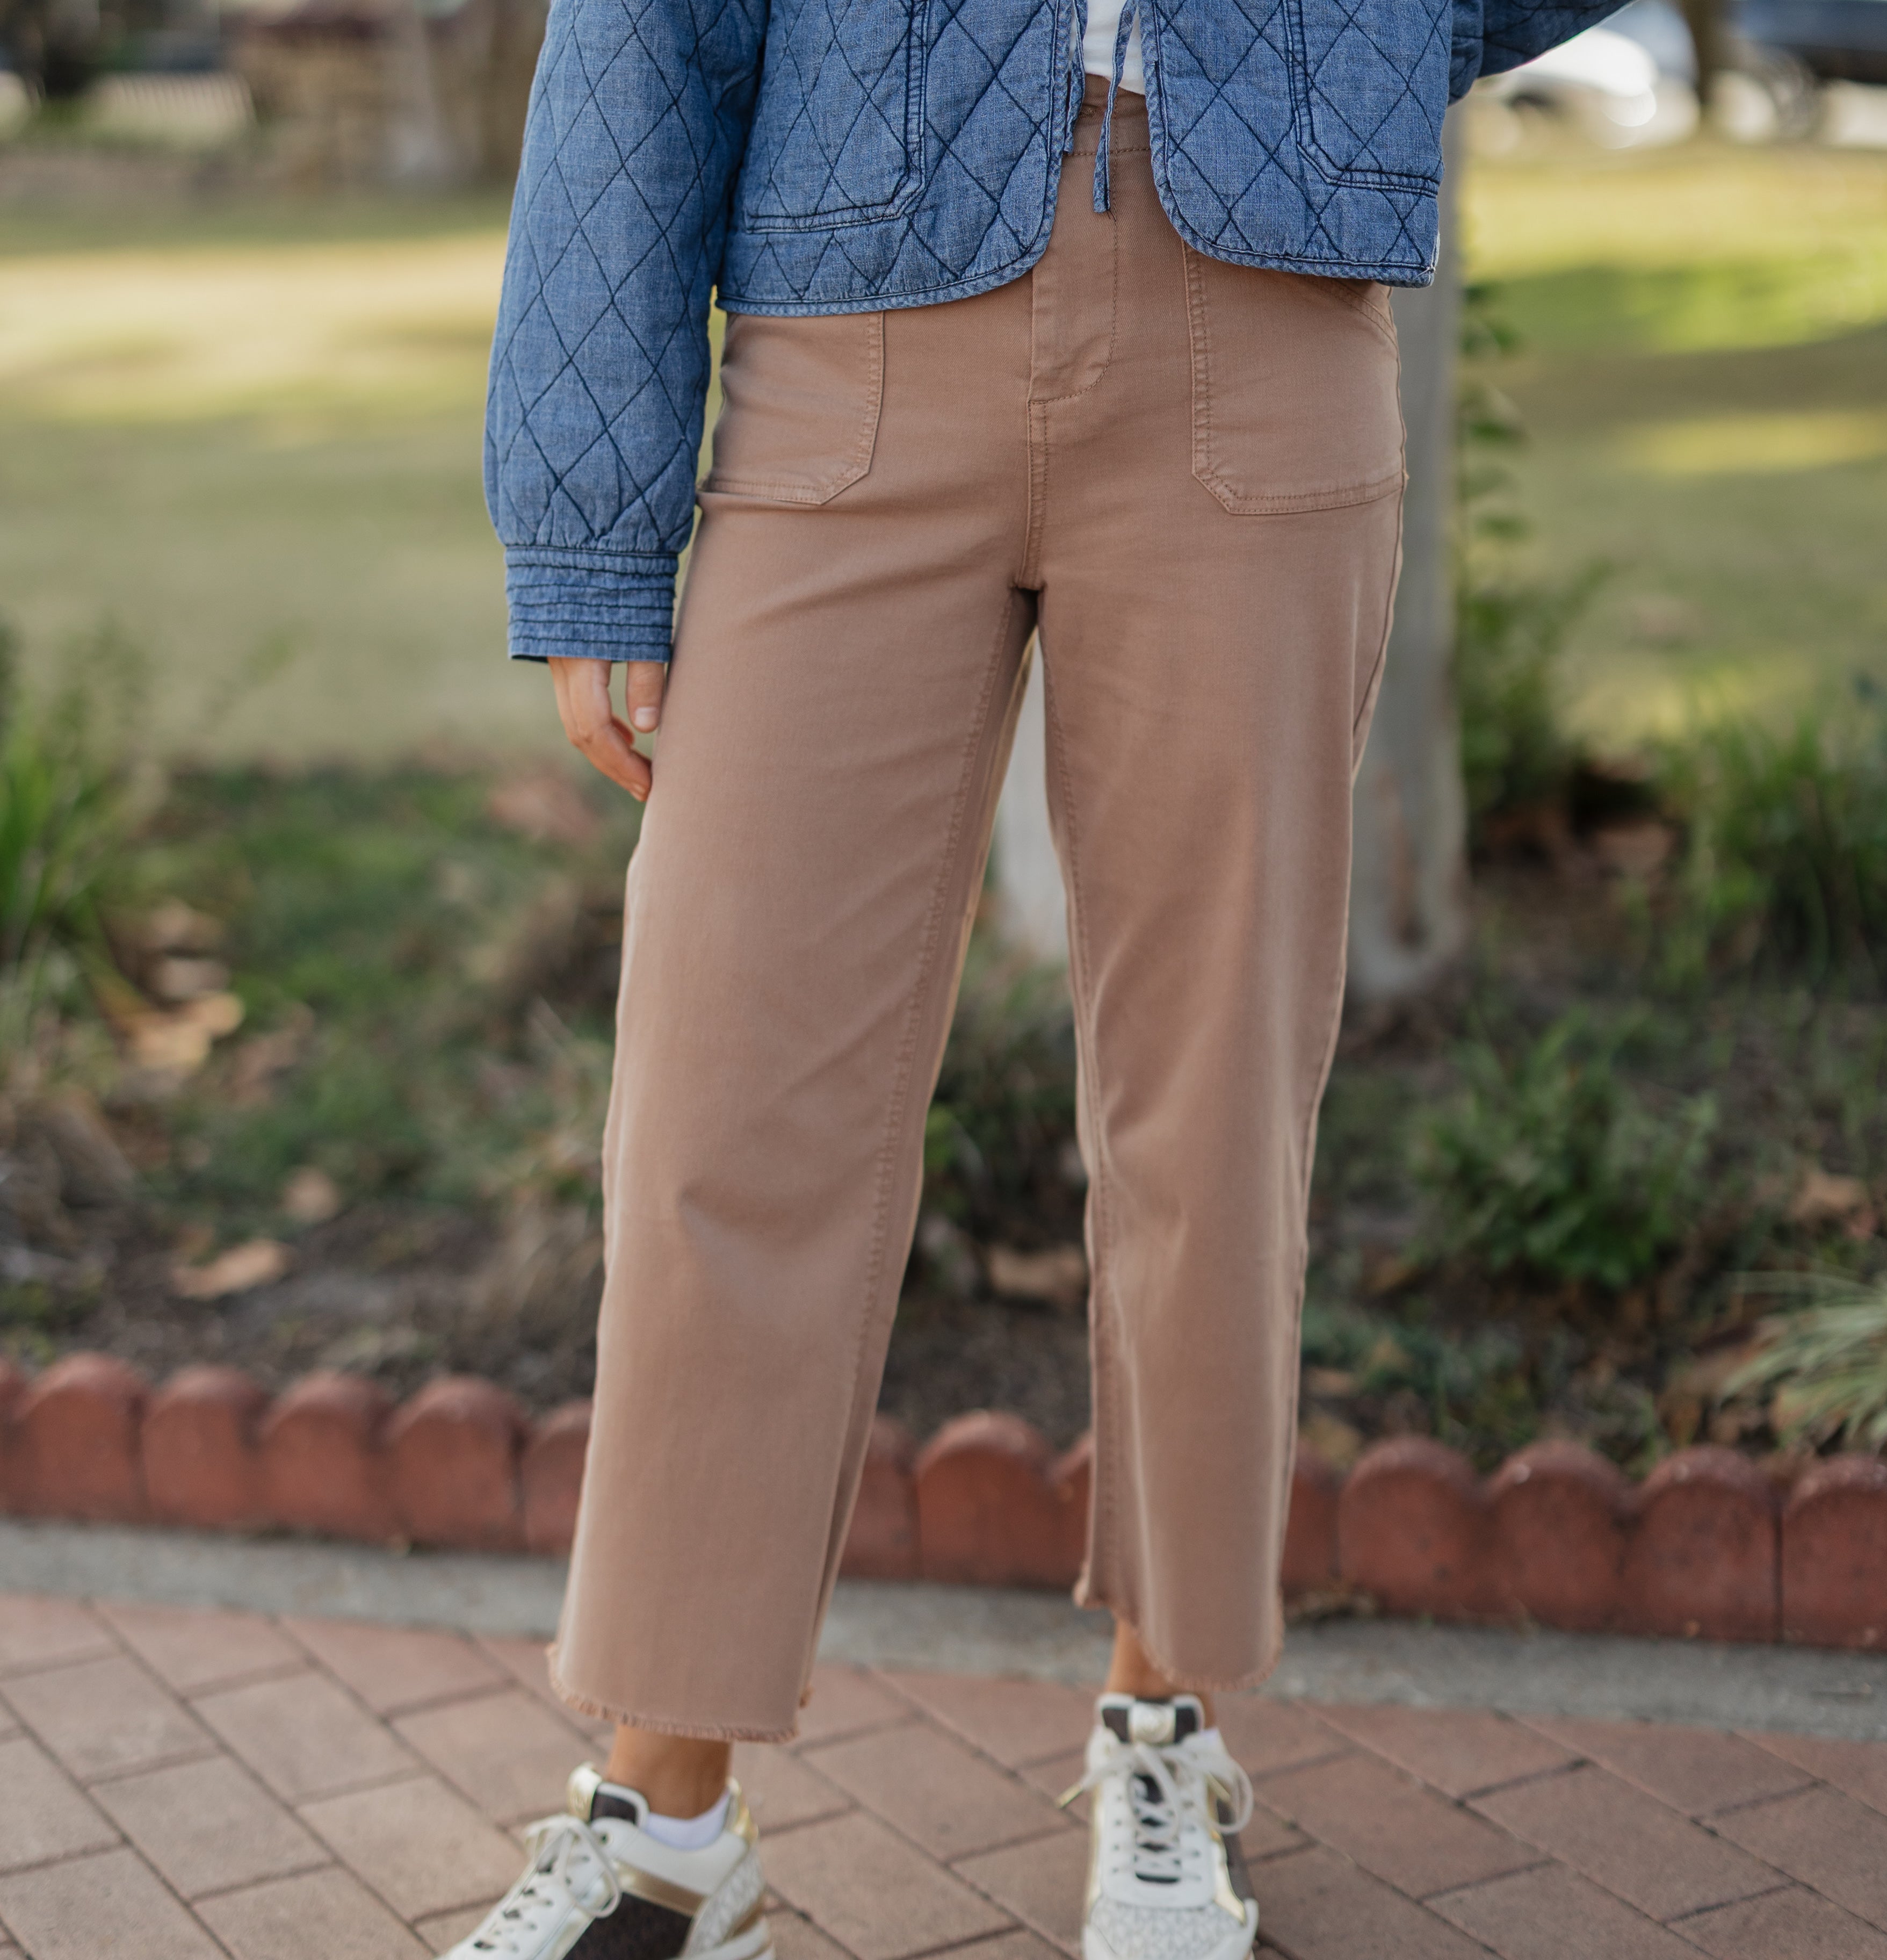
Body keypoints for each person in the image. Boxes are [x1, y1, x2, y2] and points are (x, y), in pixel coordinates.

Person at [445, 0, 1621, 1952]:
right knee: (728, 1089)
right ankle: (663, 1817)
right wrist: (592, 522)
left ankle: (1166, 1730)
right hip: (851, 319)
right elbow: (642, 31)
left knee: (1211, 1095)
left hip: (1264, 323)